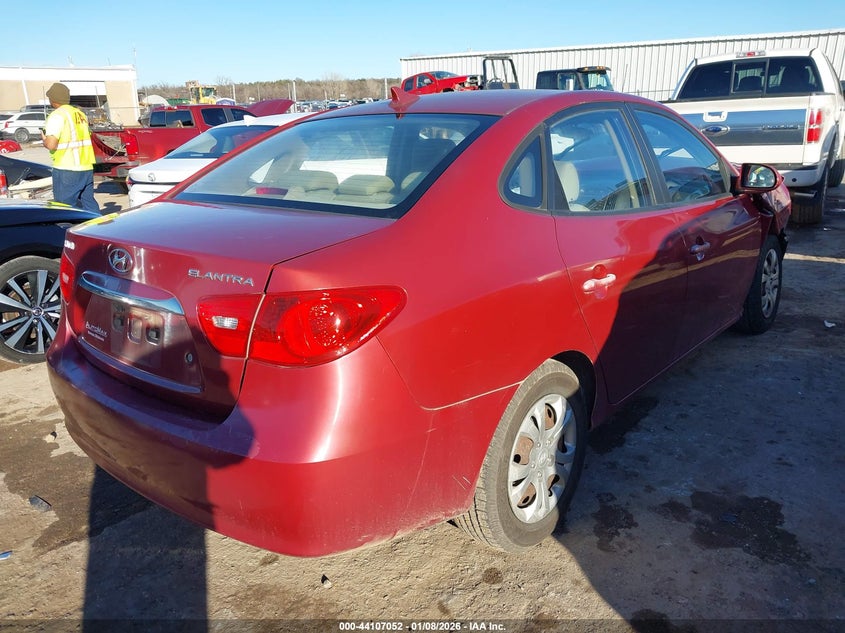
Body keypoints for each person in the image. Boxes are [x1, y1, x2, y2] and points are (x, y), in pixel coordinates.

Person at [41, 82, 100, 212]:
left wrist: (44, 140)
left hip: (67, 169)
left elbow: (51, 144)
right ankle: (97, 228)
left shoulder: (57, 115)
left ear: (52, 99)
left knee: (64, 209)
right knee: (88, 204)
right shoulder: (79, 114)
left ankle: (65, 231)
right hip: (86, 167)